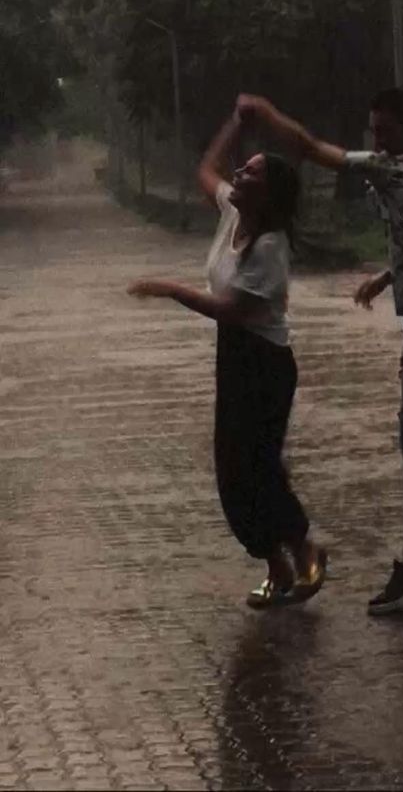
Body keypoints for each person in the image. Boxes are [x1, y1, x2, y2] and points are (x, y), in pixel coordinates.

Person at [237, 87, 403, 616]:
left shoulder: (389, 170)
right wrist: (386, 278)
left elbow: (308, 147)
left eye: (385, 130)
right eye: (374, 131)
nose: (378, 140)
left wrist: (266, 113)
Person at [127, 103, 326, 610]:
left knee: (257, 467)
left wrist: (169, 289)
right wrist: (235, 126)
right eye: (244, 167)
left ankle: (302, 550)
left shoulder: (271, 247)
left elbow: (234, 311)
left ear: (270, 193)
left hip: (265, 364)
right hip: (234, 360)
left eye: (252, 172)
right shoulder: (234, 212)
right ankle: (275, 564)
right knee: (231, 471)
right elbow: (205, 170)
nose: (239, 174)